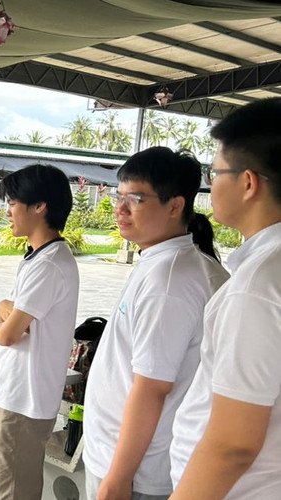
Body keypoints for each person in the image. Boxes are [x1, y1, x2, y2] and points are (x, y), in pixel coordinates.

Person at [82, 147, 229, 500]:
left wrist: (119, 477)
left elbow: (152, 388)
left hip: (136, 475)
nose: (119, 209)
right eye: (119, 197)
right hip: (123, 461)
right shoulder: (165, 262)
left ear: (175, 206)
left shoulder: (169, 282)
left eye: (134, 199)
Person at [169, 98, 281, 500]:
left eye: (215, 172)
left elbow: (234, 445)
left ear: (248, 183)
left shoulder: (257, 287)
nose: (210, 184)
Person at [0, 164, 79, 499]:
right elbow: (8, 314)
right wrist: (4, 311)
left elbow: (8, 335)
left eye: (12, 203)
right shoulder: (38, 259)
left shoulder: (50, 264)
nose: (7, 212)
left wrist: (1, 327)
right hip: (10, 396)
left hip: (22, 403)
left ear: (40, 206)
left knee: (8, 491)